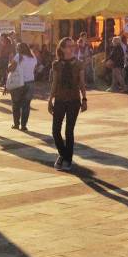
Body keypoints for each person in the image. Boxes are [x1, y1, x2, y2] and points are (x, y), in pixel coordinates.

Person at [47, 38, 87, 171]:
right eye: (69, 46)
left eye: (73, 46)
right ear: (62, 48)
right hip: (59, 99)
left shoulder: (79, 64)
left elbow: (81, 82)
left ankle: (67, 160)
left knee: (69, 131)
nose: (72, 48)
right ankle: (63, 154)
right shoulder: (56, 64)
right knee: (55, 131)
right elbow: (55, 82)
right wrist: (50, 99)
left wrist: (84, 98)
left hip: (74, 100)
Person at [8, 42, 37, 131]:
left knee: (16, 104)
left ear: (19, 49)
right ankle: (24, 125)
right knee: (26, 105)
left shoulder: (18, 56)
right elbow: (34, 68)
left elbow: (11, 69)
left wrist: (10, 62)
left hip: (18, 83)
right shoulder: (33, 57)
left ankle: (16, 124)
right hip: (30, 82)